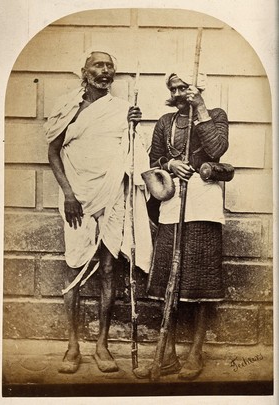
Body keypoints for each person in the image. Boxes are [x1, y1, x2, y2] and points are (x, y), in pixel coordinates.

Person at [44, 50, 152, 374]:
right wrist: (68, 194)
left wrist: (135, 128)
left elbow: (134, 155)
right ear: (85, 71)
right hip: (76, 199)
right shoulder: (68, 108)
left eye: (109, 67)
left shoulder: (121, 110)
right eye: (98, 66)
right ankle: (72, 345)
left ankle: (102, 345)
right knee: (74, 266)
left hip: (113, 199)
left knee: (108, 269)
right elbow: (52, 152)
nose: (104, 71)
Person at [134, 68, 229, 380]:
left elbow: (217, 150)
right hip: (172, 202)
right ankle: (169, 352)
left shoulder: (215, 114)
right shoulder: (166, 122)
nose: (177, 94)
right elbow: (154, 159)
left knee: (200, 278)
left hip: (204, 204)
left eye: (183, 88)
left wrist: (200, 107)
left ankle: (197, 352)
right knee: (168, 278)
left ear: (196, 88)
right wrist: (170, 164)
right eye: (173, 89)